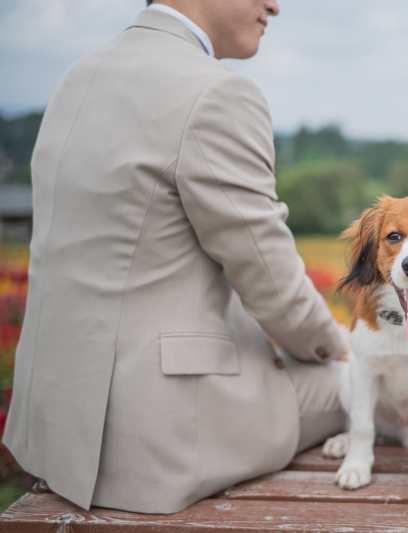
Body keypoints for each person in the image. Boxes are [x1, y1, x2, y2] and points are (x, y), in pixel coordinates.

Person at [3, 0, 350, 514]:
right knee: (361, 381)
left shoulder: (79, 74)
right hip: (156, 438)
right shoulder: (216, 93)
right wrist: (338, 345)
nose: (275, 5)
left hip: (56, 432)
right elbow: (269, 276)